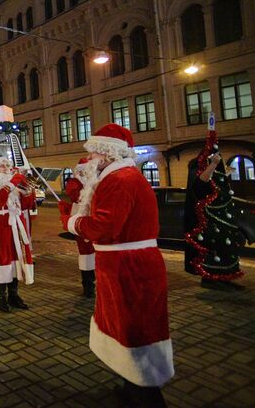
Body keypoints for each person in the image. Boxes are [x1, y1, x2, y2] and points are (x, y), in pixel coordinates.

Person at [59, 124, 173, 408]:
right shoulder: (120, 176)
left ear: (108, 152)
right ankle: (131, 385)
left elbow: (103, 227)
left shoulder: (119, 180)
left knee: (136, 332)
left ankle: (146, 398)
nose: (91, 158)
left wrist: (70, 221)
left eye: (95, 152)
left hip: (129, 269)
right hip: (124, 266)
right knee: (127, 330)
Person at [184, 148, 245, 290]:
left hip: (222, 221)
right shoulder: (197, 171)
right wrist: (212, 165)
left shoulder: (215, 175)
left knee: (227, 250)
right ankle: (210, 279)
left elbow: (215, 186)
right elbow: (201, 184)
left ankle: (225, 277)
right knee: (215, 250)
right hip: (209, 223)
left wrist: (224, 171)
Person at [0, 157, 36, 313]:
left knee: (16, 256)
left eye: (8, 165)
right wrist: (13, 182)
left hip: (17, 221)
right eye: (2, 166)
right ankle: (1, 297)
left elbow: (26, 205)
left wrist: (28, 191)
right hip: (3, 223)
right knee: (4, 257)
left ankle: (14, 295)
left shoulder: (13, 185)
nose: (6, 168)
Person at [62, 158, 96, 298]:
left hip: (93, 217)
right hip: (80, 219)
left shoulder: (93, 181)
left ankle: (95, 280)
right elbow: (76, 196)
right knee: (85, 251)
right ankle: (87, 284)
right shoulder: (74, 182)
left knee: (95, 249)